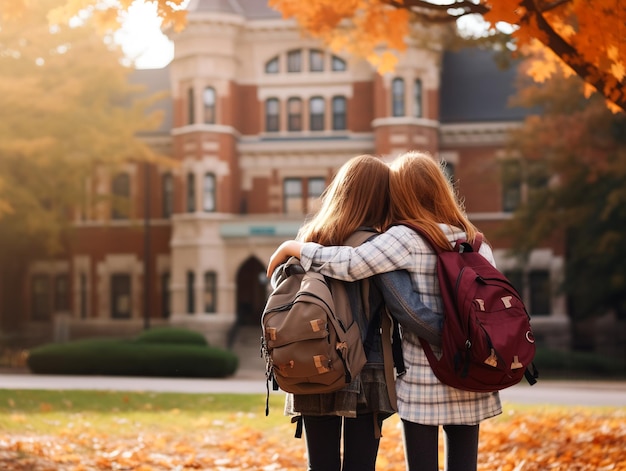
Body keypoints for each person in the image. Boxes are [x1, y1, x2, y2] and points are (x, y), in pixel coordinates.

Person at [267, 150, 502, 471]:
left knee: (320, 465)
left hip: (313, 361)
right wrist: (465, 340)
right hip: (372, 368)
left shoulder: (313, 238)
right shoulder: (473, 242)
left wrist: (295, 249)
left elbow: (283, 292)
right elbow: (402, 305)